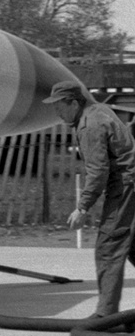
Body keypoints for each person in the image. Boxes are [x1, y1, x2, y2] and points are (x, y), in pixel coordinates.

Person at [50, 79, 135, 316]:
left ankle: (105, 316)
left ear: (74, 103)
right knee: (131, 246)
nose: (56, 111)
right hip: (130, 181)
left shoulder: (89, 125)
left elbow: (98, 170)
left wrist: (82, 207)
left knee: (109, 246)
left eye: (60, 105)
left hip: (127, 185)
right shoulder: (100, 111)